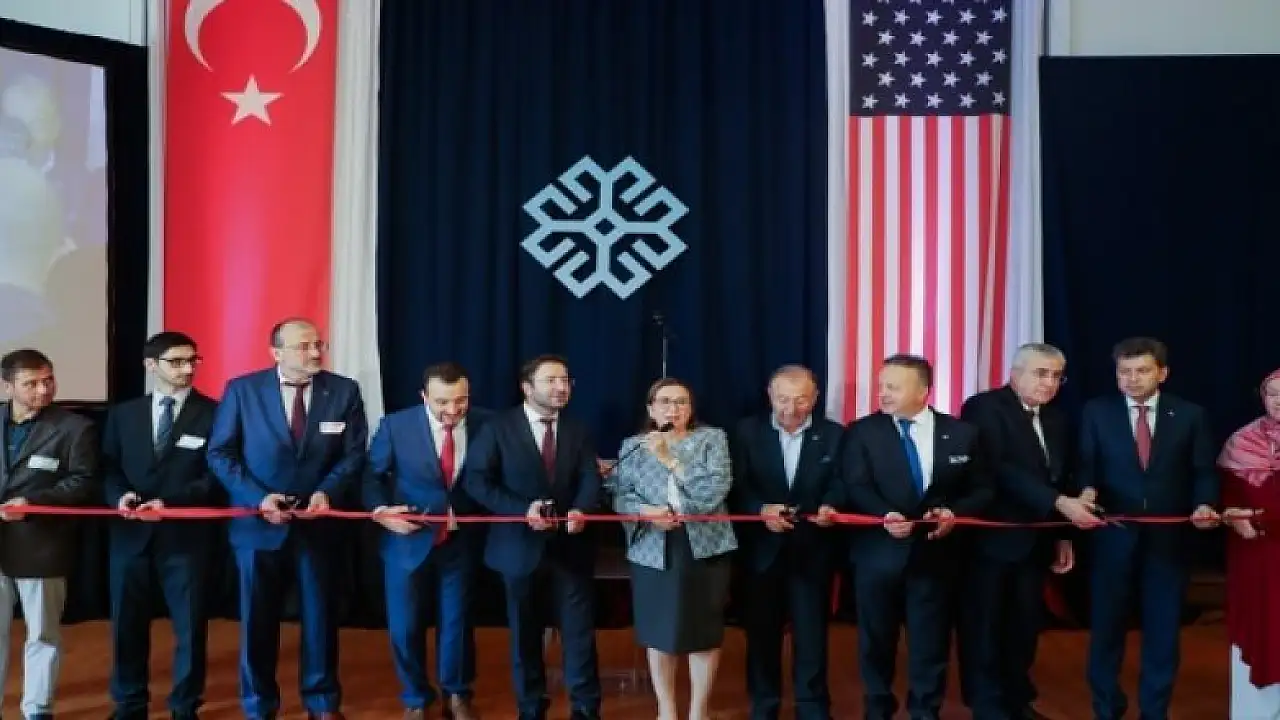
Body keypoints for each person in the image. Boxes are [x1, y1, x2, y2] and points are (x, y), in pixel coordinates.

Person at [206, 318, 368, 720]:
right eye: (304, 346)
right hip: (258, 525)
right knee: (257, 621)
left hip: (319, 523)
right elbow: (221, 453)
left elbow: (353, 454)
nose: (315, 353)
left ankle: (322, 701)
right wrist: (259, 499)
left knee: (320, 618)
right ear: (276, 353)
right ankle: (259, 705)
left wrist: (327, 492)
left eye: (318, 345)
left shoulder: (343, 391)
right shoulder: (242, 390)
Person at [839, 353, 992, 720]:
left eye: (893, 387)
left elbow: (983, 489)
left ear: (923, 391)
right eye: (881, 386)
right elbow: (855, 485)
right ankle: (878, 707)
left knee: (930, 643)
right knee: (876, 642)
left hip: (936, 556)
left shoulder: (962, 434)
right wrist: (883, 515)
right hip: (878, 556)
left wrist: (953, 512)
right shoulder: (862, 432)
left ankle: (925, 710)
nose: (883, 393)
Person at [956, 343, 1101, 720]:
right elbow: (1000, 468)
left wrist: (1064, 532)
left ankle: (1017, 699)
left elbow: (1063, 476)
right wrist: (1059, 503)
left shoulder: (1057, 419)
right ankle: (986, 704)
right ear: (1015, 373)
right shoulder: (984, 407)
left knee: (1024, 625)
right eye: (1041, 374)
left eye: (1056, 376)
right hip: (992, 539)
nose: (1049, 383)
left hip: (1038, 539)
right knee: (985, 624)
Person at [1079, 337, 1219, 720]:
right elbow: (1086, 465)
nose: (1132, 379)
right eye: (1124, 371)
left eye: (1141, 371)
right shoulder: (1096, 411)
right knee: (1106, 630)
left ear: (1162, 373)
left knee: (1163, 632)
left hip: (1168, 541)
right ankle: (1106, 708)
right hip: (1112, 536)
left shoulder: (1190, 415)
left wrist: (1204, 503)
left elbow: (1203, 471)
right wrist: (1086, 491)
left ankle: (1155, 711)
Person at [462, 354, 602, 720]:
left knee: (579, 633)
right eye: (551, 381)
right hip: (517, 549)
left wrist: (581, 509)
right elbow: (477, 480)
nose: (561, 388)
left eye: (565, 380)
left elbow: (590, 477)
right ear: (527, 387)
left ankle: (585, 707)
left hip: (570, 547)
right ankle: (530, 706)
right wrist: (522, 510)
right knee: (525, 634)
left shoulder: (578, 429)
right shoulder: (497, 428)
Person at [103, 332, 220, 720]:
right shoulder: (124, 414)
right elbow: (108, 468)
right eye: (177, 362)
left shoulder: (215, 413)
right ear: (151, 365)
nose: (187, 369)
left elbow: (214, 477)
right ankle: (129, 702)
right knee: (127, 625)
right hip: (130, 534)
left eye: (192, 360)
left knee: (189, 627)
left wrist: (170, 503)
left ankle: (185, 705)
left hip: (185, 537)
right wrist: (120, 497)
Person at [365, 362, 489, 720]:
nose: (453, 410)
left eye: (460, 401)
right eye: (442, 402)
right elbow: (371, 477)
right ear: (424, 397)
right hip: (406, 540)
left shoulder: (488, 423)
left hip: (461, 541)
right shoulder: (396, 426)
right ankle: (416, 697)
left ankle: (457, 694)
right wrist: (381, 511)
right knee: (404, 627)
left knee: (457, 624)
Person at [612, 378, 736, 720]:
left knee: (703, 632)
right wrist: (645, 513)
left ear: (691, 408)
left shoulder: (712, 439)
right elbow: (618, 495)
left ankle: (699, 711)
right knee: (659, 631)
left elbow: (713, 491)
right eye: (665, 402)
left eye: (681, 402)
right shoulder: (633, 445)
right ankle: (666, 709)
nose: (673, 409)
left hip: (705, 546)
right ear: (651, 409)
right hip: (652, 547)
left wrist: (671, 460)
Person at [728, 365, 842, 720]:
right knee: (761, 635)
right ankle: (764, 705)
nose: (790, 409)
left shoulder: (834, 435)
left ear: (815, 398)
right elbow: (735, 486)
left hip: (812, 550)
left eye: (800, 400)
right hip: (761, 552)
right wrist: (759, 509)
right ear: (769, 395)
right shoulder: (745, 432)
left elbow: (841, 482)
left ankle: (812, 707)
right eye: (782, 399)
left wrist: (831, 505)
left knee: (812, 635)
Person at [0, 348, 97, 720]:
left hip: (42, 543)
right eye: (31, 383)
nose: (43, 390)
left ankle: (38, 709)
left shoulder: (75, 428)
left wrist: (34, 502)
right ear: (7, 387)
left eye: (48, 380)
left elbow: (82, 482)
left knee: (42, 632)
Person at [1217, 368, 1280, 719]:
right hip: (1256, 555)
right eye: (1273, 394)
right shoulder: (1241, 442)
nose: (1279, 401)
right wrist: (1230, 513)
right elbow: (1225, 497)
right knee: (1260, 627)